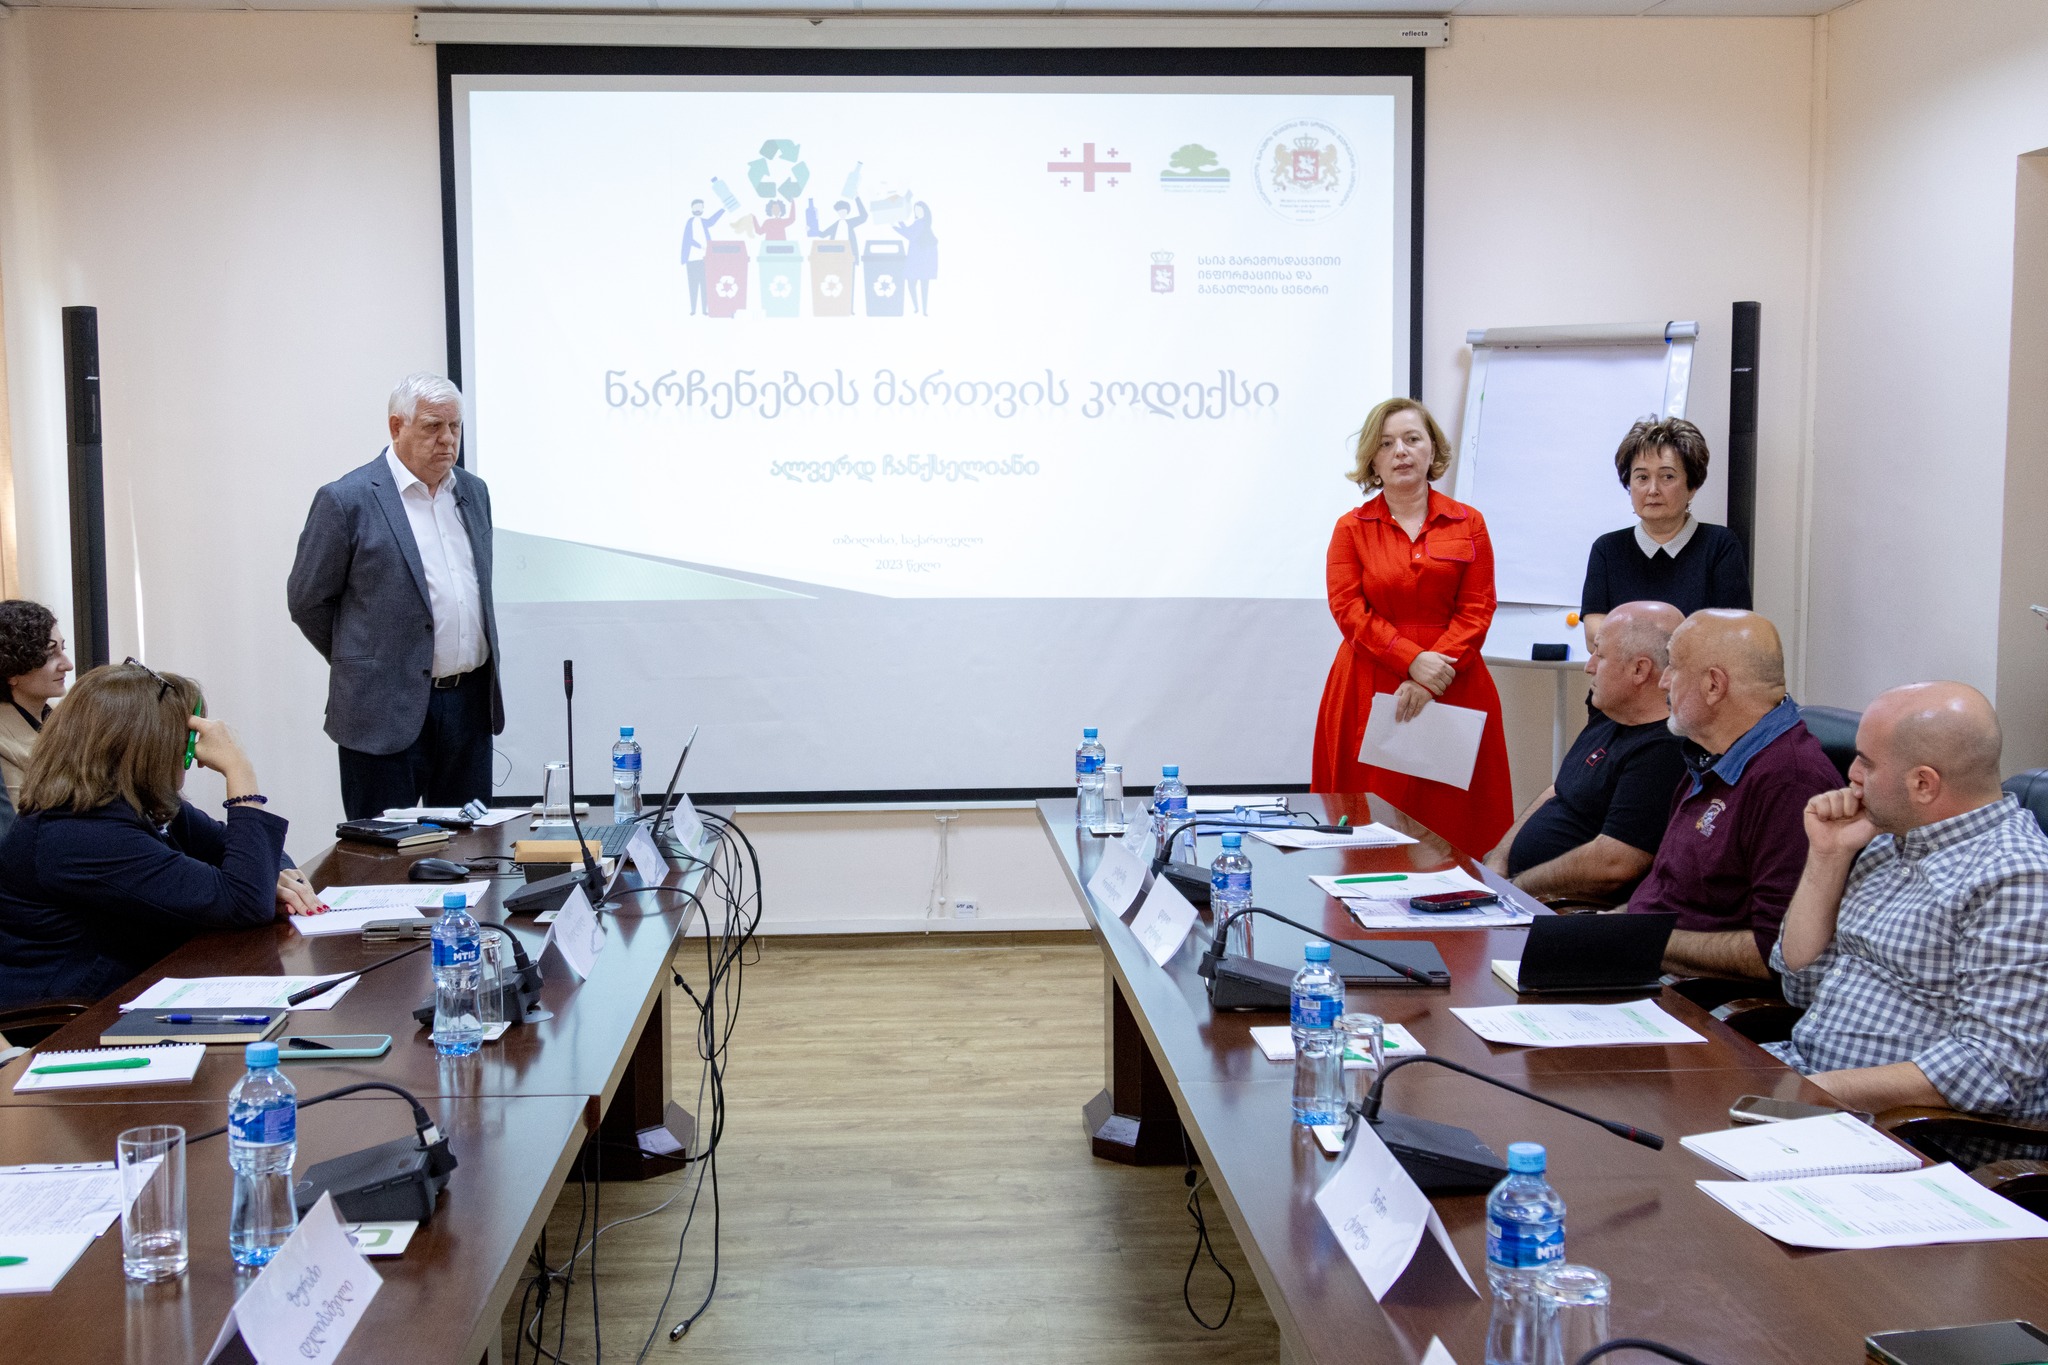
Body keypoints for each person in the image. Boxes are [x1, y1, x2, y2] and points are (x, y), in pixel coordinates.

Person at [1770, 683, 2048, 1118]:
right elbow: (1800, 982)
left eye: (1866, 762)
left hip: (1907, 1131)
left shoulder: (2017, 877)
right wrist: (1828, 855)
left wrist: (1807, 1092)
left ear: (1923, 784)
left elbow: (1990, 1067)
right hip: (1810, 1081)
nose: (1851, 774)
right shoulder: (1888, 844)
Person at [0, 662, 323, 1010]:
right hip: (75, 1014)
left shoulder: (135, 801)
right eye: (184, 742)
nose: (190, 757)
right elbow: (245, 902)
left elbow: (240, 851)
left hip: (141, 982)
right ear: (146, 748)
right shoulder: (78, 835)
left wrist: (274, 877)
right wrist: (239, 770)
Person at [287, 374, 502, 820]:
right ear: (396, 426)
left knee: (472, 847)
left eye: (455, 427)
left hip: (467, 709)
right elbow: (307, 601)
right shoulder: (346, 500)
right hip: (381, 710)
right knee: (384, 852)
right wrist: (366, 661)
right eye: (432, 427)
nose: (448, 440)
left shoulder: (473, 492)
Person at [1312, 397, 1513, 859]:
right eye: (1386, 444)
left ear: (1432, 449)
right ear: (1372, 459)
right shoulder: (1350, 528)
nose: (1400, 451)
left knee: (1453, 825)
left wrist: (1431, 676)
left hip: (1454, 682)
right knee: (1370, 829)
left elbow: (1478, 608)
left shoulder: (1469, 522)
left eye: (1411, 439)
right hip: (1370, 686)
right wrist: (1411, 661)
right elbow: (1348, 609)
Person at [1625, 610, 1840, 980]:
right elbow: (1665, 894)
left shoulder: (1790, 781)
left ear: (1714, 685)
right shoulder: (1713, 754)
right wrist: (1605, 929)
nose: (1663, 682)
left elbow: (1772, 951)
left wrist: (1637, 939)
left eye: (1674, 666)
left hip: (1691, 995)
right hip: (1644, 962)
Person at [1489, 601, 1686, 900]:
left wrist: (1516, 888)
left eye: (1600, 655)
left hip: (1563, 906)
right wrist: (1498, 862)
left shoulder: (1664, 750)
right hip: (1520, 890)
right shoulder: (1608, 713)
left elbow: (1613, 865)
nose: (1588, 666)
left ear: (1639, 670)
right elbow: (1558, 790)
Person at [1579, 418, 1750, 652]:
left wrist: (1632, 643)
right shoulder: (1607, 549)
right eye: (1642, 477)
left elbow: (1731, 636)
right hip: (1624, 677)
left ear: (1692, 486)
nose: (1652, 490)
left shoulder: (1720, 545)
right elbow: (1594, 637)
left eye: (1667, 476)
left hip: (1694, 677)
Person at [0, 599, 72, 809]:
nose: (68, 665)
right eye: (50, 655)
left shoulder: (66, 718)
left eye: (63, 649)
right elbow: (22, 819)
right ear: (11, 671)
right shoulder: (4, 744)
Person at [681, 198, 725, 316]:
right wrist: (700, 246)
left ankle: (705, 310)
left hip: (704, 258)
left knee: (705, 285)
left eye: (700, 207)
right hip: (692, 259)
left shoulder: (703, 222)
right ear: (692, 209)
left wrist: (723, 209)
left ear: (703, 209)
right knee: (693, 285)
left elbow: (712, 221)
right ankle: (693, 309)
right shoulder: (690, 222)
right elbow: (688, 239)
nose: (698, 209)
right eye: (696, 207)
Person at [894, 202, 938, 315]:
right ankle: (921, 309)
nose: (917, 212)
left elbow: (908, 234)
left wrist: (895, 226)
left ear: (925, 211)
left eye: (920, 210)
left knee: (915, 284)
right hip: (922, 258)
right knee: (921, 284)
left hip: (919, 258)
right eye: (916, 210)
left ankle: (919, 308)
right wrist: (898, 222)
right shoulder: (922, 223)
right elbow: (909, 231)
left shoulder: (920, 224)